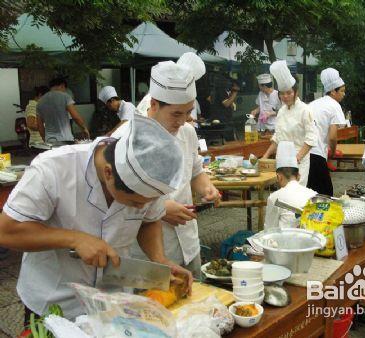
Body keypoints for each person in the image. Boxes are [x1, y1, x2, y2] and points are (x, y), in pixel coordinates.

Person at [0, 113, 192, 323]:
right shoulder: (53, 168)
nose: (142, 208)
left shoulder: (147, 177)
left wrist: (159, 259)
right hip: (55, 304)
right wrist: (74, 239)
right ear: (108, 172)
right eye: (136, 204)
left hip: (116, 304)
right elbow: (7, 231)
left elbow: (150, 220)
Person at [124, 53, 221, 278]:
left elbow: (195, 169)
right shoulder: (130, 140)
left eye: (188, 113)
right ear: (155, 104)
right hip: (148, 252)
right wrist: (161, 208)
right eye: (176, 114)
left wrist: (206, 188)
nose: (183, 121)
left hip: (188, 241)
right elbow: (119, 198)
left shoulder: (187, 132)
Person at [262, 60, 318, 186]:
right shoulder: (281, 111)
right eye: (282, 93)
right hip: (281, 161)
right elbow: (278, 137)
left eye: (289, 93)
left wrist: (297, 158)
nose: (285, 96)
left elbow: (311, 138)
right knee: (282, 197)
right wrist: (265, 156)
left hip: (299, 163)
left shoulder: (305, 110)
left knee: (296, 197)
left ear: (296, 93)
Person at [307, 68, 346, 196]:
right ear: (333, 91)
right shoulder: (334, 106)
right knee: (326, 195)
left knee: (309, 193)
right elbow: (333, 137)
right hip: (316, 154)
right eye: (342, 91)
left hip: (303, 152)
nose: (343, 94)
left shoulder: (314, 103)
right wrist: (333, 152)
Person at [264, 141, 317, 229]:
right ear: (299, 176)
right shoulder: (314, 195)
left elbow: (269, 230)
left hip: (285, 241)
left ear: (278, 177)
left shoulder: (274, 197)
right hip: (310, 241)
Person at [36, 76, 90, 142]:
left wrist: (44, 139)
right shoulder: (65, 97)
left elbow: (40, 125)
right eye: (65, 88)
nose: (65, 91)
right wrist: (84, 128)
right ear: (62, 85)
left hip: (49, 140)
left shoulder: (40, 101)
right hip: (65, 139)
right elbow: (76, 117)